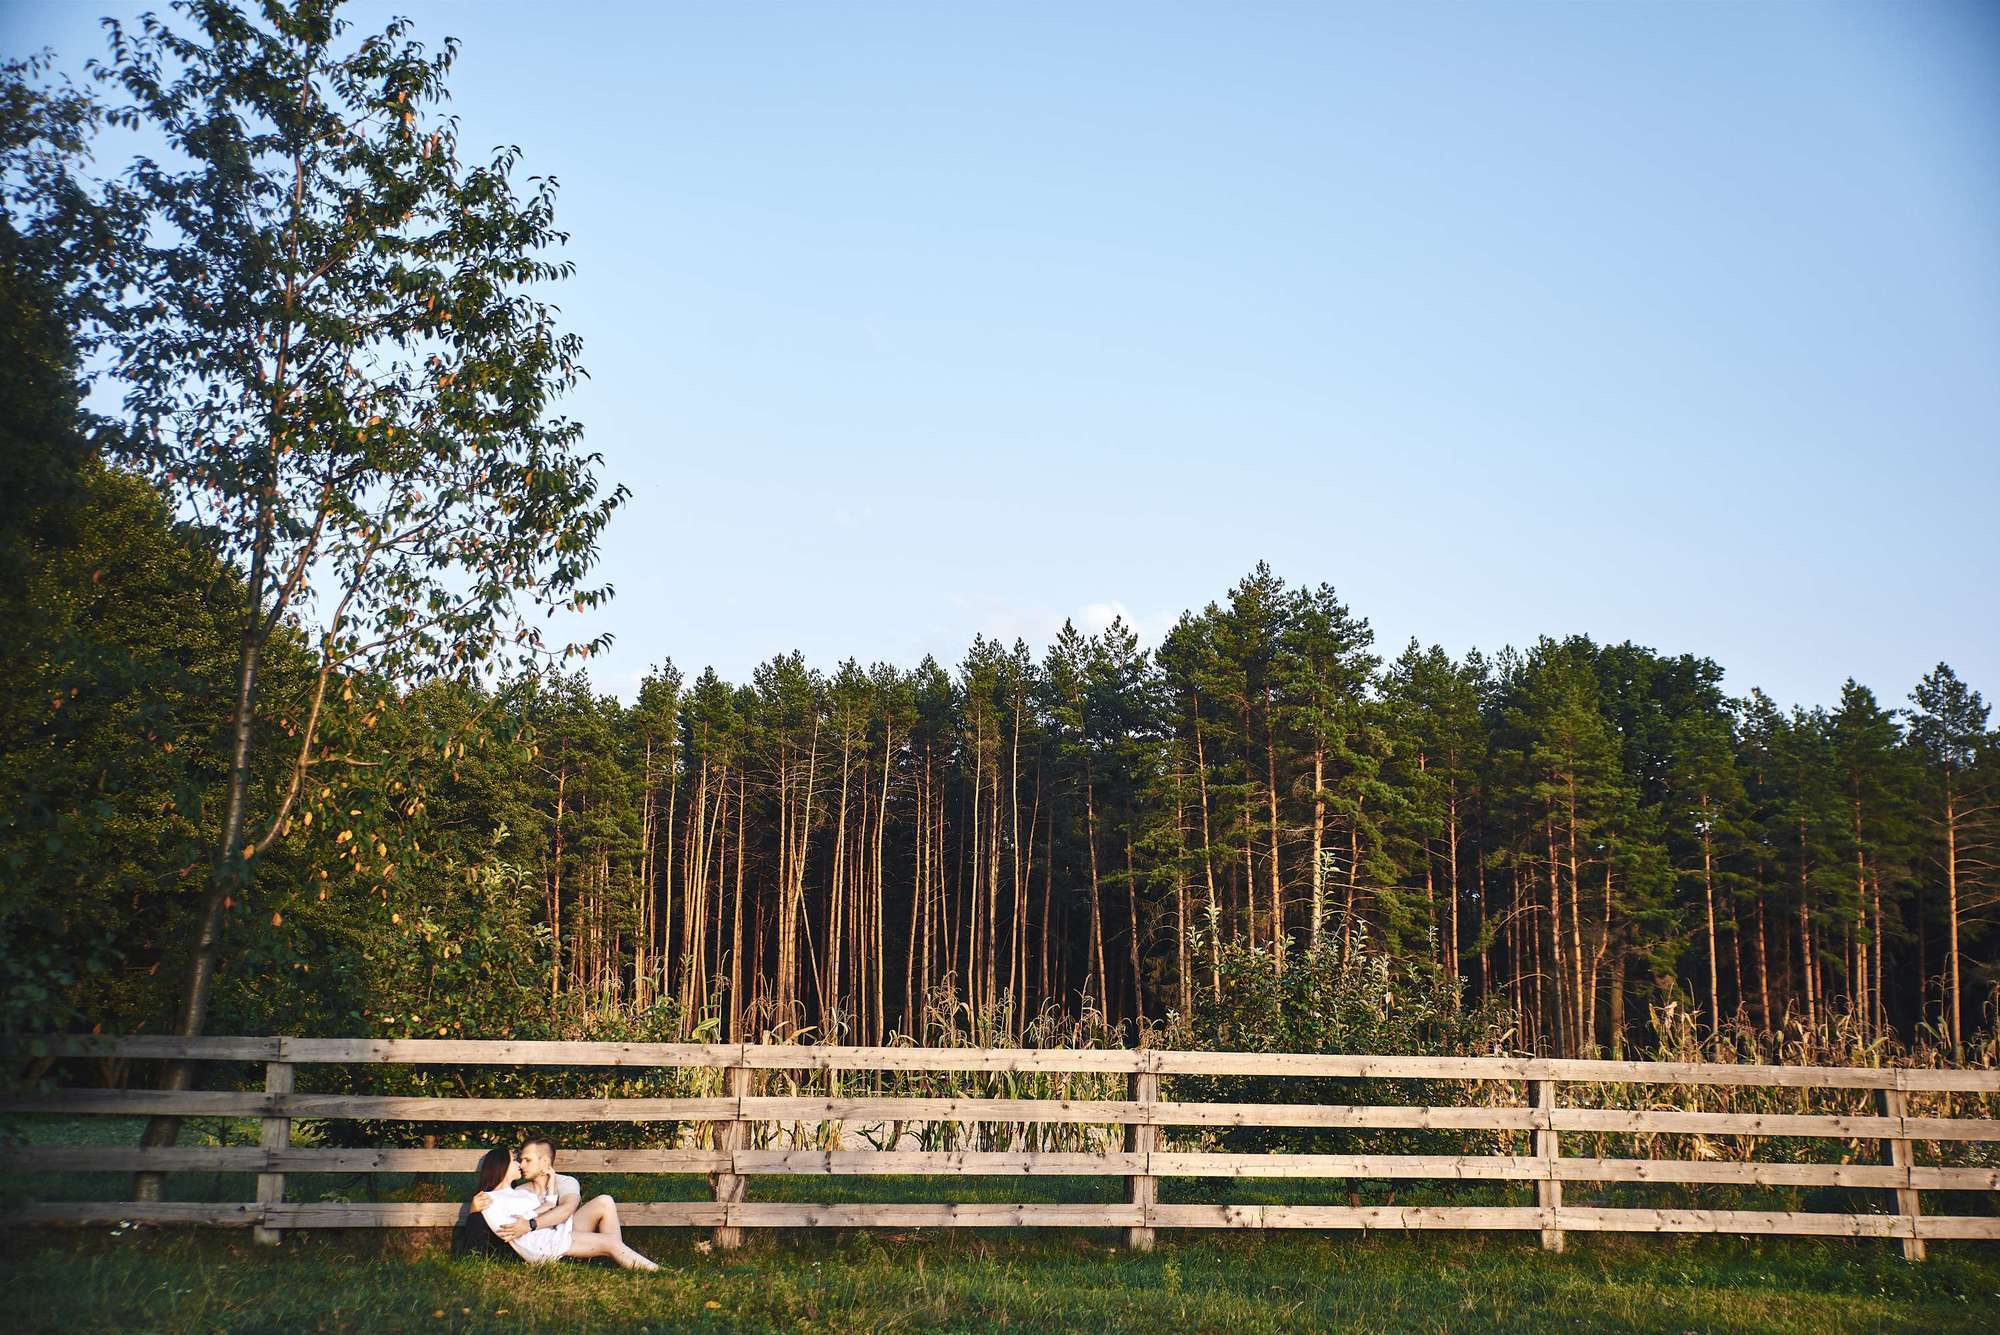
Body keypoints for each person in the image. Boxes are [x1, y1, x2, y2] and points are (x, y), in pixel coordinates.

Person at [469, 1146, 658, 1270]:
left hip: (552, 1231)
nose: (520, 1163)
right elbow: (492, 1236)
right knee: (610, 1243)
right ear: (501, 1166)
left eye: (524, 1159)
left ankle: (619, 1258)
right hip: (542, 1244)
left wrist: (550, 1185)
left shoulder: (518, 1193)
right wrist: (473, 1211)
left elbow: (549, 1206)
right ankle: (659, 1272)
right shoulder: (490, 1199)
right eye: (514, 1160)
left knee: (606, 1210)